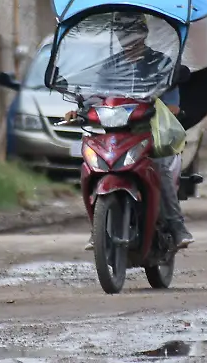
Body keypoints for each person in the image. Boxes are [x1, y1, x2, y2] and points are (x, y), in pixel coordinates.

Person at [73, 13, 195, 251]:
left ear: (144, 33)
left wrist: (160, 110)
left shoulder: (161, 64)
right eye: (122, 33)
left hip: (148, 133)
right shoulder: (110, 67)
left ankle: (177, 225)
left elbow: (172, 105)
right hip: (115, 134)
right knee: (89, 166)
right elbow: (95, 96)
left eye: (132, 32)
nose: (127, 38)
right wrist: (79, 110)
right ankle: (96, 230)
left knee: (159, 167)